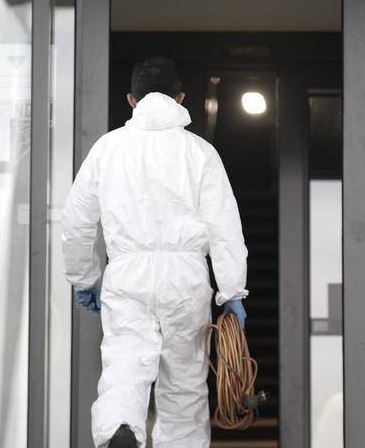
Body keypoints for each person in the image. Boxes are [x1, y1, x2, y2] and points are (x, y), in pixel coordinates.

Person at [61, 56, 248, 448]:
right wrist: (232, 292)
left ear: (131, 99)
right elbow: (225, 228)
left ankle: (120, 429)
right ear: (181, 98)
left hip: (127, 271)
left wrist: (85, 277)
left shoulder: (107, 149)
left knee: (125, 363)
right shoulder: (200, 152)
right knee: (183, 384)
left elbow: (77, 219)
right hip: (187, 277)